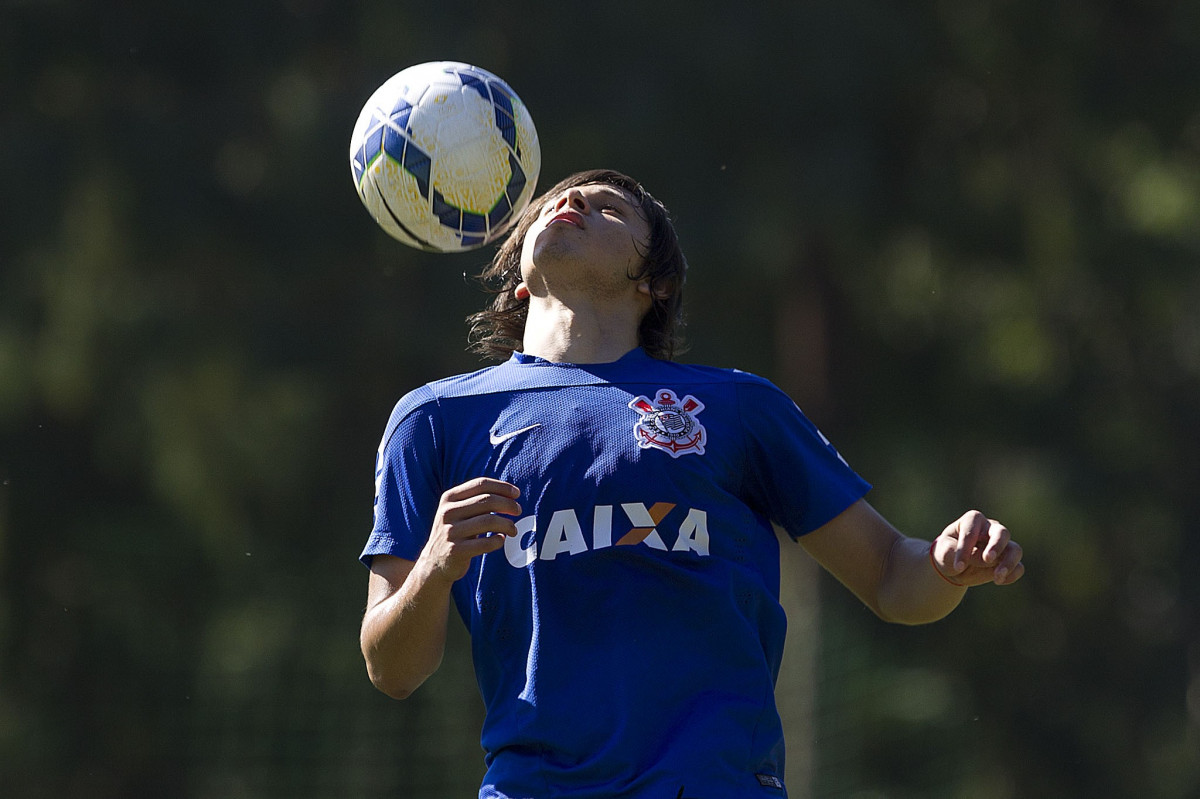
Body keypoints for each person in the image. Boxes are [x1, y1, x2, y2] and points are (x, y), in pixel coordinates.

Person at [358, 169, 1025, 799]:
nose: (574, 203)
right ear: (520, 279)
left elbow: (888, 576)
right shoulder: (435, 419)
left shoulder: (738, 407)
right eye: (558, 201)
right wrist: (434, 572)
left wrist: (944, 562)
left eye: (608, 207)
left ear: (656, 284)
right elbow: (391, 667)